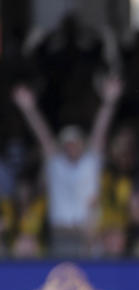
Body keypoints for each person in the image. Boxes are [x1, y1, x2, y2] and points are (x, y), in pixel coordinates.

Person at [11, 75, 123, 257]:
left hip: (88, 235)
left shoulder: (90, 164)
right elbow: (43, 136)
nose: (71, 147)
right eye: (67, 143)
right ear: (62, 146)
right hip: (61, 234)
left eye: (76, 142)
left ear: (82, 144)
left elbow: (100, 130)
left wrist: (109, 103)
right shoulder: (56, 166)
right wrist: (28, 109)